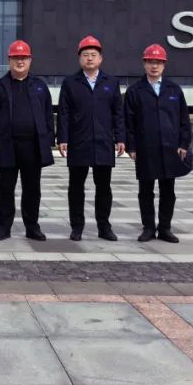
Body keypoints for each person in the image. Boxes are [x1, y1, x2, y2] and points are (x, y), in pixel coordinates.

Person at [0, 40, 54, 241]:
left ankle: (32, 227)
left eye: (24, 58)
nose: (20, 62)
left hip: (33, 146)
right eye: (16, 58)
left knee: (32, 189)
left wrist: (48, 140)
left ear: (30, 60)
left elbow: (48, 114)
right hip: (6, 146)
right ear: (9, 60)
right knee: (5, 189)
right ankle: (3, 227)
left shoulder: (40, 86)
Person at [123, 43, 193, 243]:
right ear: (144, 64)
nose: (154, 66)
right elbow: (128, 122)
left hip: (170, 148)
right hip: (145, 148)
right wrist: (131, 146)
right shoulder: (135, 91)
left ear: (164, 65)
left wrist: (183, 143)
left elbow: (183, 119)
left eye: (158, 62)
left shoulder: (174, 90)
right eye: (151, 62)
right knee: (145, 190)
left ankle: (165, 228)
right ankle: (148, 228)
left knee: (168, 190)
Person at [57, 35, 125, 241]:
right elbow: (64, 113)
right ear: (79, 59)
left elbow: (118, 113)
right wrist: (63, 138)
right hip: (78, 142)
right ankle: (77, 226)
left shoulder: (111, 82)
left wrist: (120, 138)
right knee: (76, 187)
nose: (89, 58)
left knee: (103, 187)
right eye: (85, 54)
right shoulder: (70, 83)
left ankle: (104, 227)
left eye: (93, 55)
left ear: (100, 59)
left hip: (103, 142)